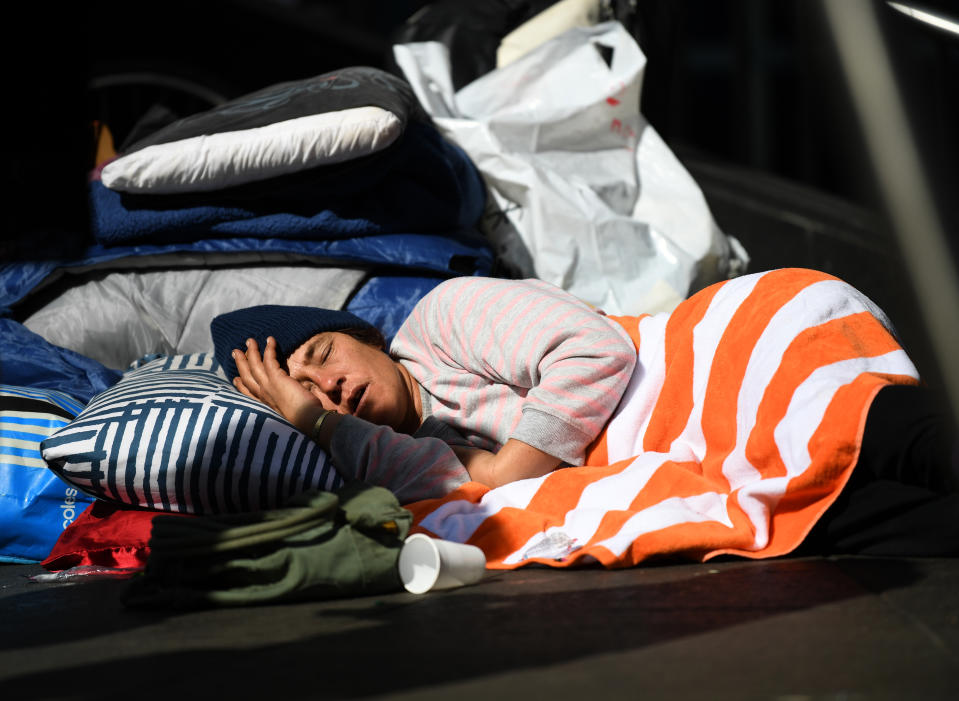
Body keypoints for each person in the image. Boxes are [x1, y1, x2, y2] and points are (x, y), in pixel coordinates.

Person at [211, 270, 959, 556]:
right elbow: (455, 487)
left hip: (718, 363)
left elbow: (593, 350)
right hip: (690, 455)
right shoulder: (408, 461)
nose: (325, 384)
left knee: (877, 433)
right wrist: (324, 432)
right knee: (854, 523)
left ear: (368, 336)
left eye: (322, 353)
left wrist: (508, 468)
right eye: (300, 388)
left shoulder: (441, 318)